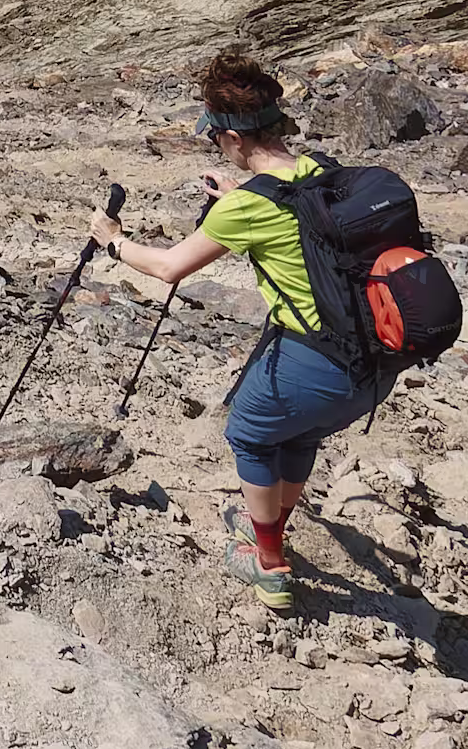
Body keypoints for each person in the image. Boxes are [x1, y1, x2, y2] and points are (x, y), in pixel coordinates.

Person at [88, 50, 397, 613]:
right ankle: (271, 529)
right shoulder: (326, 178)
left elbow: (167, 268)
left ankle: (269, 562)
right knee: (299, 436)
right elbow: (295, 216)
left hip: (310, 362)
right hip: (373, 362)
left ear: (231, 138)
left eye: (216, 140)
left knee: (251, 435)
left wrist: (111, 238)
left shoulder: (251, 205)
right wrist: (238, 196)